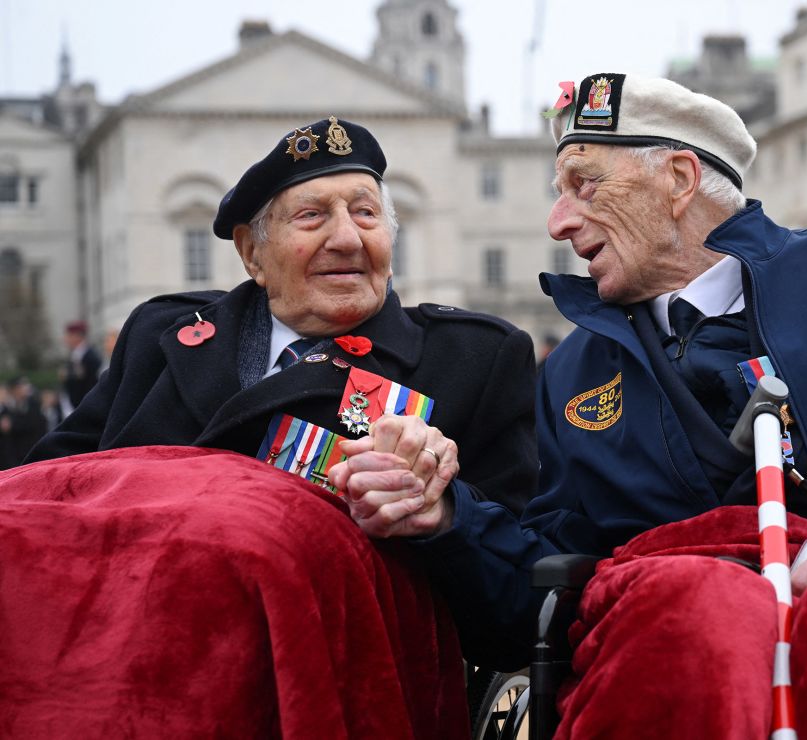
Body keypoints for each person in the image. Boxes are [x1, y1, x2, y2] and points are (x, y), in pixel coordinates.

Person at [335, 74, 807, 737]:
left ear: (677, 179)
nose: (557, 222)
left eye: (584, 184)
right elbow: (538, 585)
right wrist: (446, 521)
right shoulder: (569, 371)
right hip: (672, 630)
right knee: (691, 619)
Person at [8, 116, 538, 738]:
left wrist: (444, 515)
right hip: (104, 677)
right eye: (312, 217)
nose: (347, 238)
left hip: (308, 696)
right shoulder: (160, 338)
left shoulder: (471, 359)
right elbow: (49, 494)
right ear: (252, 253)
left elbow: (520, 607)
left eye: (366, 214)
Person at [59, 320, 102, 415]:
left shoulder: (91, 357)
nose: (65, 339)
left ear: (77, 336)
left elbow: (91, 385)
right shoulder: (75, 355)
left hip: (85, 410)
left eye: (69, 335)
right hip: (74, 407)